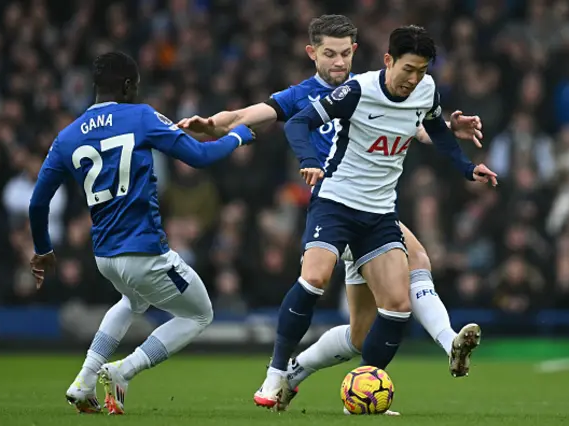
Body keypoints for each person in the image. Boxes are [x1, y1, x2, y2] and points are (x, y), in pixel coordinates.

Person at [177, 17, 493, 410]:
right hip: (333, 201)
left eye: (346, 53)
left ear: (358, 52)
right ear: (313, 54)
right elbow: (245, 115)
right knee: (399, 263)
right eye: (330, 53)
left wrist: (450, 132)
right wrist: (213, 126)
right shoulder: (307, 95)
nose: (340, 61)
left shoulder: (392, 85)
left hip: (376, 207)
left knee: (367, 330)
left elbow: (411, 123)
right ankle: (282, 372)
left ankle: (325, 379)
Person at [27, 51, 255, 415]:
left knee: (132, 302)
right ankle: (123, 370)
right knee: (200, 315)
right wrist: (239, 136)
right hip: (145, 251)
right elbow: (199, 157)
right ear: (130, 85)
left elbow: (38, 203)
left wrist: (43, 249)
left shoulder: (66, 136)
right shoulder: (141, 116)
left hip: (104, 256)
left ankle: (84, 381)